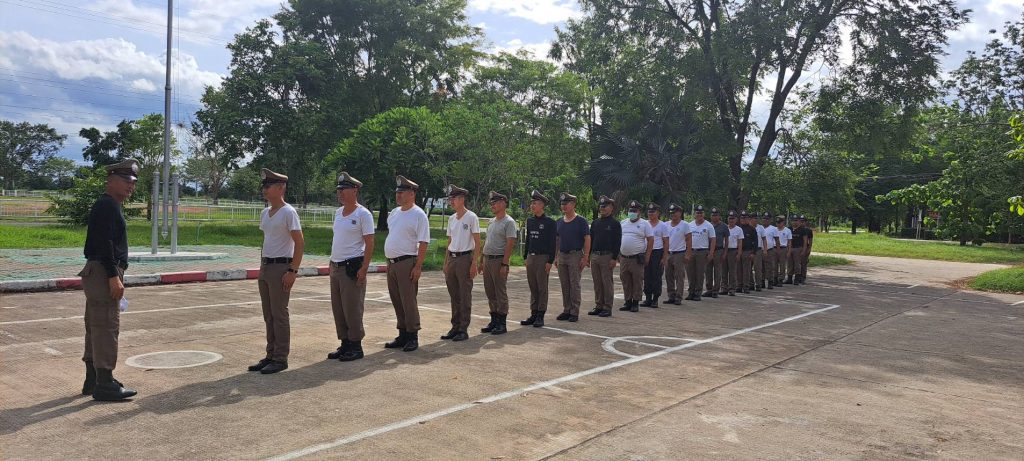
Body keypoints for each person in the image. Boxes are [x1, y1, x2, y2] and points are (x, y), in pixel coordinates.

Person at [80, 158, 139, 400]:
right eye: (125, 180)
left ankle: (93, 380)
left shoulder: (108, 205)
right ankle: (104, 384)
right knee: (106, 326)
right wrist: (114, 275)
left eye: (132, 182)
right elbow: (105, 243)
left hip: (99, 270)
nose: (130, 185)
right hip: (104, 271)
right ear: (110, 180)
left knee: (95, 326)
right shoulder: (107, 205)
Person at [249, 168, 305, 374]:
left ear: (281, 188)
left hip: (281, 267)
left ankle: (281, 358)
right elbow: (267, 240)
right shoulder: (265, 213)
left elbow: (299, 243)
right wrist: (262, 266)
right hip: (266, 266)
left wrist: (293, 271)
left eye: (269, 185)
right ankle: (270, 354)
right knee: (268, 314)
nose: (265, 189)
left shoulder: (288, 212)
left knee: (279, 314)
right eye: (264, 185)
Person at [326, 172, 374, 362]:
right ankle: (345, 342)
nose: (340, 193)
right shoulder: (339, 213)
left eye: (344, 190)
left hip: (351, 267)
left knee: (352, 308)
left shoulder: (363, 214)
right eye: (338, 190)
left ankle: (355, 345)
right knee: (338, 308)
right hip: (336, 266)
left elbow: (369, 243)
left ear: (355, 190)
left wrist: (364, 268)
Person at [383, 175, 430, 352]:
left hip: (406, 262)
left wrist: (418, 266)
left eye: (402, 192)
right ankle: (402, 333)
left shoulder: (418, 215)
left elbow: (423, 242)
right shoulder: (394, 213)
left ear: (412, 194)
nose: (398, 195)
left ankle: (412, 335)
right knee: (397, 299)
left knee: (408, 300)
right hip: (392, 263)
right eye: (397, 192)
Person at [441, 185, 481, 342]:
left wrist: (474, 263)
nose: (452, 202)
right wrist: (446, 262)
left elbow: (477, 242)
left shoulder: (471, 217)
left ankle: (463, 328)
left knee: (464, 295)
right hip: (452, 258)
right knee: (454, 295)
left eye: (454, 199)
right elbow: (449, 241)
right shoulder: (452, 218)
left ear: (462, 199)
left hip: (465, 258)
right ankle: (455, 326)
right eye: (450, 199)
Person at [479, 191, 518, 334]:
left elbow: (510, 244)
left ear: (503, 203)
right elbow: (487, 241)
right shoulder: (491, 221)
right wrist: (481, 260)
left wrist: (505, 264)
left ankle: (502, 322)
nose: (492, 206)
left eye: (494, 203)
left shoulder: (509, 222)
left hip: (499, 260)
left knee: (500, 292)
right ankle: (494, 319)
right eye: (491, 203)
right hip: (487, 259)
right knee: (490, 291)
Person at [522, 190, 556, 327]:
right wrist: (525, 256)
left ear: (542, 205)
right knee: (533, 286)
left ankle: (540, 315)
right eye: (532, 203)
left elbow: (553, 243)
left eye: (535, 203)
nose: (532, 205)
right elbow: (528, 239)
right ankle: (533, 313)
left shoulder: (550, 222)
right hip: (531, 257)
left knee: (542, 287)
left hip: (543, 258)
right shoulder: (530, 221)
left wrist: (550, 261)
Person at [555, 192, 590, 322]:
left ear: (573, 204)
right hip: (562, 255)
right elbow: (557, 240)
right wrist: (556, 256)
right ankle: (567, 309)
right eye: (562, 204)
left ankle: (574, 311)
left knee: (574, 284)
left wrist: (585, 257)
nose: (564, 206)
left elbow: (587, 238)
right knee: (564, 284)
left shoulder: (581, 221)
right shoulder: (559, 221)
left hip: (575, 255)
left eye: (567, 203)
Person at [587, 195, 621, 317]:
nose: (602, 208)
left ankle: (607, 307)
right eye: (601, 206)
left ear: (611, 208)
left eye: (605, 206)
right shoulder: (595, 223)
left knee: (607, 283)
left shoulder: (615, 223)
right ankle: (599, 305)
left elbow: (617, 242)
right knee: (597, 282)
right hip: (595, 255)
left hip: (607, 256)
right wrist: (588, 256)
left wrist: (614, 258)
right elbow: (591, 240)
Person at [618, 200, 654, 312]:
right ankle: (628, 301)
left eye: (634, 211)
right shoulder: (623, 223)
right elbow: (618, 238)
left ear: (639, 212)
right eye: (630, 210)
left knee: (637, 280)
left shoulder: (645, 224)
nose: (632, 212)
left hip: (637, 258)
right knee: (625, 280)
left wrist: (647, 256)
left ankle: (635, 302)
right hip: (624, 257)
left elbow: (650, 240)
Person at [640, 203, 670, 308]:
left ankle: (655, 299)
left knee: (656, 276)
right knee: (646, 276)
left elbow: (666, 242)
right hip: (646, 252)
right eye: (649, 212)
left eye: (653, 212)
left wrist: (664, 257)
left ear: (658, 213)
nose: (650, 214)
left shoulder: (663, 225)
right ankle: (648, 298)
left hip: (657, 252)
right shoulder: (645, 224)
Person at [663, 204, 692, 305]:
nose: (673, 215)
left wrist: (688, 254)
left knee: (679, 276)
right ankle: (671, 296)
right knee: (668, 276)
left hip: (679, 253)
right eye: (671, 213)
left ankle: (678, 296)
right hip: (668, 253)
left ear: (680, 213)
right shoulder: (666, 224)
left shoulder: (685, 225)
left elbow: (689, 240)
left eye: (675, 213)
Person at [686, 205, 715, 301]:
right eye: (697, 213)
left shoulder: (709, 225)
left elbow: (713, 240)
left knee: (700, 273)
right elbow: (686, 239)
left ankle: (698, 293)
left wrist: (711, 253)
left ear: (704, 214)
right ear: (694, 214)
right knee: (690, 273)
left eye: (701, 213)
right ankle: (691, 292)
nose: (699, 214)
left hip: (702, 252)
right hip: (691, 251)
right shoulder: (690, 225)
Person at [703, 208, 729, 298]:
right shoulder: (707, 225)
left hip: (718, 250)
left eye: (716, 215)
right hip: (708, 250)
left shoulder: (724, 226)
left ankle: (715, 290)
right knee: (708, 271)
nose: (714, 217)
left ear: (719, 216)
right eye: (713, 215)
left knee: (717, 271)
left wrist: (725, 252)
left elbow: (727, 240)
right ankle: (709, 289)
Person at [722, 211, 744, 296]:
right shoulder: (724, 227)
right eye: (730, 218)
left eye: (733, 218)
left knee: (732, 271)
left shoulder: (739, 229)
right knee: (724, 271)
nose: (731, 220)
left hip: (733, 251)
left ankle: (732, 289)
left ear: (736, 219)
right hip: (724, 250)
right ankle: (724, 288)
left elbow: (740, 242)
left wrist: (739, 253)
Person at [739, 211, 758, 294]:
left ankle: (746, 286)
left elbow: (756, 242)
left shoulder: (752, 229)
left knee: (746, 271)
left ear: (748, 219)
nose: (743, 219)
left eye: (745, 218)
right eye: (742, 218)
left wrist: (753, 252)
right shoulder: (738, 228)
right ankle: (739, 286)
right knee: (738, 270)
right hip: (738, 251)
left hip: (747, 251)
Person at [788, 215, 808, 285]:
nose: (794, 222)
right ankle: (789, 278)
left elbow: (805, 241)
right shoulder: (789, 229)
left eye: (796, 220)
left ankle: (797, 279)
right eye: (793, 220)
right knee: (790, 264)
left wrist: (804, 250)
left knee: (797, 264)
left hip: (798, 248)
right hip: (790, 248)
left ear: (799, 221)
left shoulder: (803, 230)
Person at [761, 212, 777, 290]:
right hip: (760, 250)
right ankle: (762, 282)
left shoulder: (773, 228)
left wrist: (777, 250)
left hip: (770, 249)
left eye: (767, 219)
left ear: (770, 220)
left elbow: (777, 240)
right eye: (764, 218)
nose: (765, 220)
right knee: (761, 267)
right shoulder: (759, 227)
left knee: (770, 267)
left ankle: (770, 281)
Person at [775, 216, 792, 286]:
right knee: (774, 264)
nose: (778, 224)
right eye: (777, 223)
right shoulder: (774, 229)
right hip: (774, 248)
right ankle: (775, 278)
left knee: (782, 265)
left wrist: (789, 251)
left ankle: (781, 279)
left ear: (783, 222)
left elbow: (789, 242)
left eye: (780, 223)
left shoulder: (787, 230)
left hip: (783, 248)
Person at [798, 215, 814, 283]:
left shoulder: (808, 230)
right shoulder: (797, 229)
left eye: (803, 221)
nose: (802, 223)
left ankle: (803, 277)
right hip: (797, 248)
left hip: (805, 248)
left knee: (803, 264)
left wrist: (809, 249)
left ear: (805, 222)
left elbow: (810, 241)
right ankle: (797, 277)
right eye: (800, 221)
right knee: (797, 264)